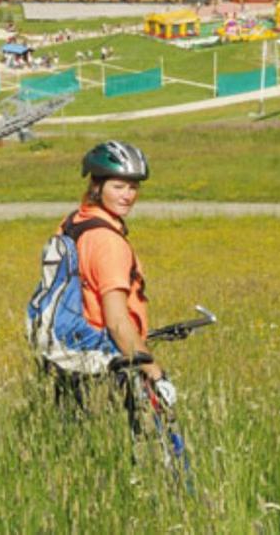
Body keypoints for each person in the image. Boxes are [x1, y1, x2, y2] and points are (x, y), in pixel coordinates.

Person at [56, 141, 176, 411]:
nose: (128, 196)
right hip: (107, 358)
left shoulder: (74, 222)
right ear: (96, 186)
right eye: (118, 186)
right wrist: (155, 374)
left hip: (71, 349)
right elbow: (117, 322)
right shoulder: (108, 242)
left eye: (133, 187)